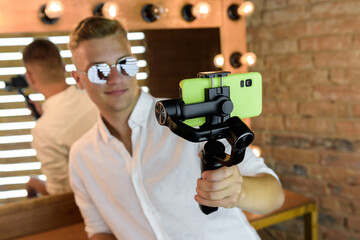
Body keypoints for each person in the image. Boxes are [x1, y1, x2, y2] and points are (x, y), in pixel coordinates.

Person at [68, 16, 284, 240]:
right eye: (98, 71)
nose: (115, 77)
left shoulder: (193, 118)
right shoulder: (82, 156)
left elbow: (274, 195)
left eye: (125, 64)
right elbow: (100, 230)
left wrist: (241, 191)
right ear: (78, 79)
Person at [22, 39, 98, 197]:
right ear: (64, 68)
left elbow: (61, 194)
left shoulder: (43, 131)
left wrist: (34, 183)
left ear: (29, 77)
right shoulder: (95, 96)